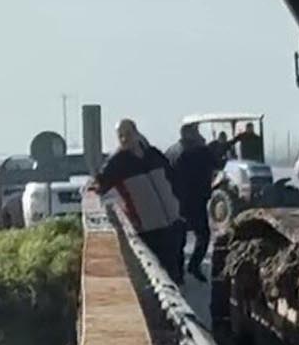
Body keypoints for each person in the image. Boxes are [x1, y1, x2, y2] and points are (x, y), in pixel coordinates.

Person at [92, 118, 186, 279]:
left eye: (127, 134)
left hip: (173, 224)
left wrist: (180, 209)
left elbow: (173, 180)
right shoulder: (117, 163)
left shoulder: (154, 155)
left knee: (177, 274)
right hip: (148, 230)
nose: (124, 139)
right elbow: (99, 186)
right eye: (120, 136)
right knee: (161, 276)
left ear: (136, 133)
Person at [171, 122, 226, 280]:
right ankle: (194, 266)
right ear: (190, 134)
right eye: (197, 131)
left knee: (179, 238)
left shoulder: (172, 150)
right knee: (203, 235)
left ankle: (178, 273)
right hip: (195, 200)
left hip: (176, 200)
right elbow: (218, 163)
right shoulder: (199, 151)